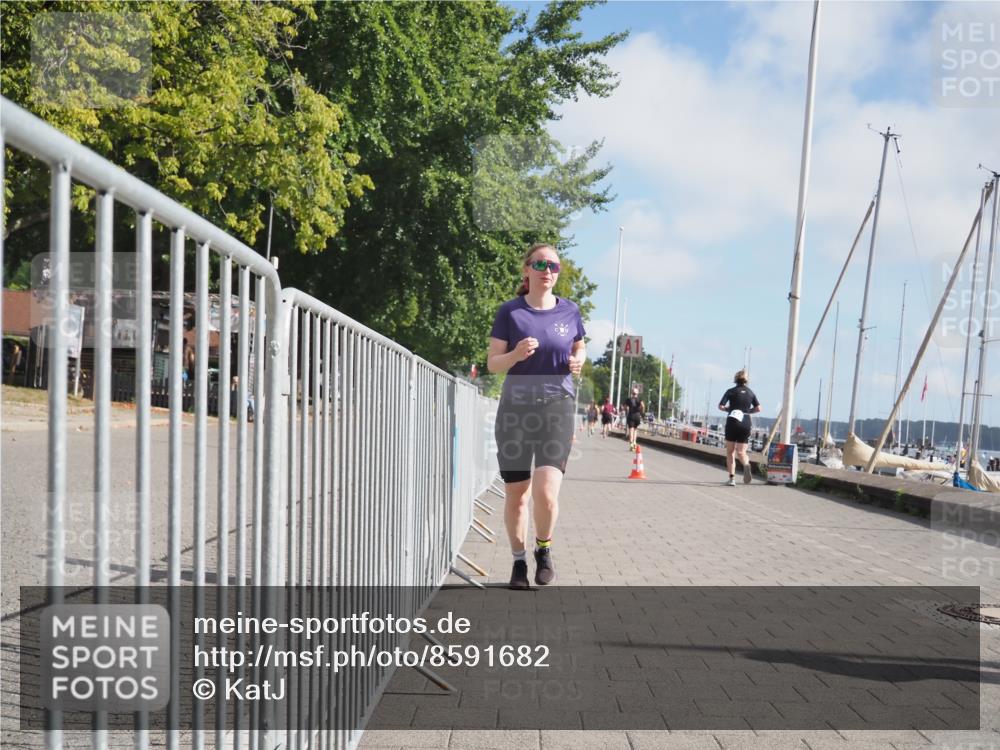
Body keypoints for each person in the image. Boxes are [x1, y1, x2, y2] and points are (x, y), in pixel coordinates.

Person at [488, 243, 586, 590]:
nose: (548, 271)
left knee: (546, 492)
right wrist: (514, 354)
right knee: (518, 494)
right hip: (515, 410)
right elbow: (493, 363)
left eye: (555, 266)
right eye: (541, 264)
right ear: (526, 270)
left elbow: (579, 345)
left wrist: (579, 361)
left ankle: (543, 550)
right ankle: (518, 562)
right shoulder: (510, 312)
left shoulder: (570, 311)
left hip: (557, 406)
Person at [718, 369, 761, 486]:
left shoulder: (730, 391)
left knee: (730, 452)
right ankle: (746, 464)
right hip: (745, 421)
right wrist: (747, 411)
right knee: (741, 452)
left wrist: (729, 409)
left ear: (735, 379)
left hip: (732, 420)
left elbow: (721, 406)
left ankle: (732, 479)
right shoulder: (751, 392)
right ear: (746, 380)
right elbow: (758, 408)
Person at [624, 386, 644, 451]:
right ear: (637, 394)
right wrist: (641, 412)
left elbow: (625, 407)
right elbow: (643, 406)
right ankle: (635, 442)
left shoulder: (628, 399)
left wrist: (626, 411)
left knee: (631, 429)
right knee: (635, 429)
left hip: (631, 415)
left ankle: (631, 443)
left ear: (632, 393)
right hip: (637, 416)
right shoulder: (639, 399)